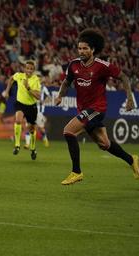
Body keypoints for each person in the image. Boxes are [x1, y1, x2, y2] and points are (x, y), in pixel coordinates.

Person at [55, 28, 139, 185]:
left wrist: (129, 98)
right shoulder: (73, 65)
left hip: (97, 108)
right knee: (104, 144)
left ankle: (76, 172)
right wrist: (60, 95)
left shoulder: (102, 66)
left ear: (93, 49)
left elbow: (124, 77)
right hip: (84, 109)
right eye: (79, 48)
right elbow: (67, 82)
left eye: (85, 48)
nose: (81, 51)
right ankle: (132, 159)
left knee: (68, 131)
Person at [2, 60, 41, 160]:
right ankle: (17, 145)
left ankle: (33, 148)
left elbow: (38, 96)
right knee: (18, 120)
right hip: (20, 104)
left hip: (31, 106)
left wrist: (28, 88)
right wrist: (7, 91)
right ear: (24, 68)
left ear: (34, 70)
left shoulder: (35, 79)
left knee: (31, 129)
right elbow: (11, 79)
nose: (29, 70)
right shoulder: (19, 75)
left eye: (31, 69)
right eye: (27, 68)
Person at [24, 84, 50, 148]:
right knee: (29, 127)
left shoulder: (43, 87)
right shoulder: (31, 85)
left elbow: (49, 97)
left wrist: (43, 101)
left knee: (41, 128)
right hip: (30, 109)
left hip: (39, 112)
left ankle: (45, 139)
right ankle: (27, 144)